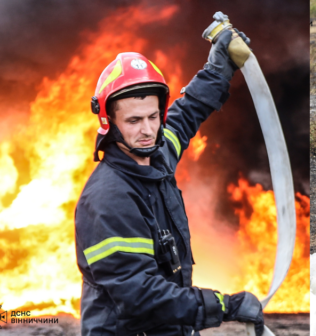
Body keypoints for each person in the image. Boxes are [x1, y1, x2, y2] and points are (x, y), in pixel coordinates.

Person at [75, 29, 265, 336]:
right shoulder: (109, 199)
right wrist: (224, 306)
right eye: (134, 121)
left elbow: (188, 111)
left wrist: (218, 68)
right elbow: (140, 295)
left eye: (153, 117)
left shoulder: (154, 156)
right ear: (109, 121)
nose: (148, 130)